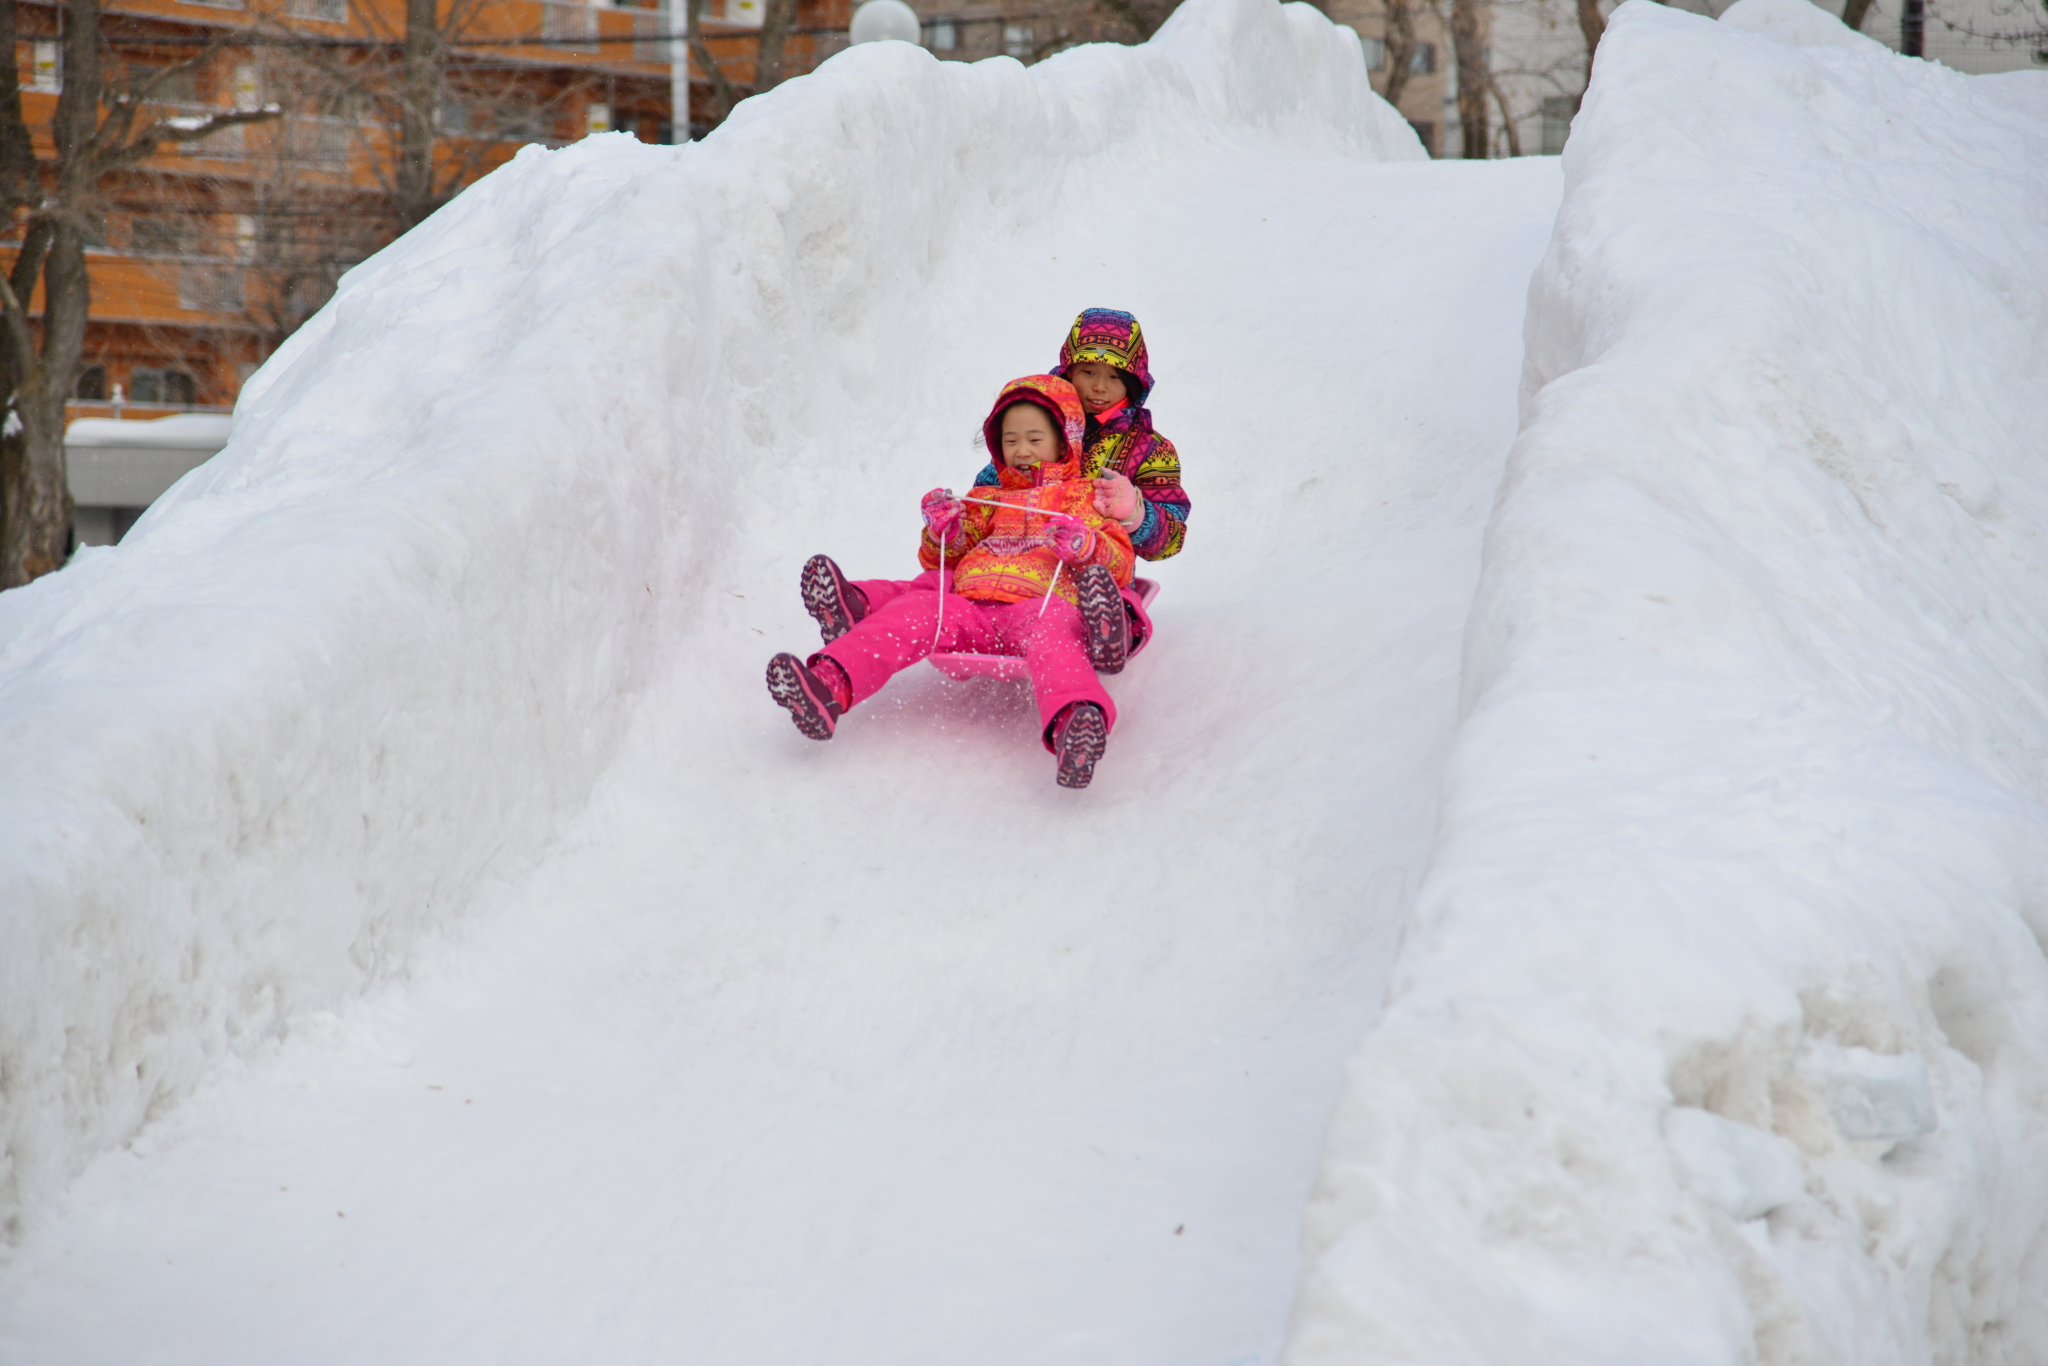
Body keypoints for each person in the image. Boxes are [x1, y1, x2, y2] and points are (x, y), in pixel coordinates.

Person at [766, 375, 1135, 789]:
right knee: (912, 611)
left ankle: (1075, 724)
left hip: (1040, 607)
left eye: (1034, 438)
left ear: (1065, 441)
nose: (1022, 450)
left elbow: (1122, 565)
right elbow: (945, 559)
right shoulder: (988, 497)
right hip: (969, 605)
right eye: (1011, 441)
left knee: (1056, 640)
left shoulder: (1086, 498)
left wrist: (1086, 546)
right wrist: (945, 530)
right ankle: (829, 686)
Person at [800, 308, 1188, 672]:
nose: (1099, 386)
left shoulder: (1150, 450)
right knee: (944, 585)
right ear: (1069, 369)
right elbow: (991, 500)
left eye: (1115, 376)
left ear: (1134, 382)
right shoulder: (1037, 422)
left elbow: (1170, 537)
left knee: (1110, 598)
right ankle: (859, 604)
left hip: (1094, 569)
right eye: (1087, 371)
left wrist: (1136, 514)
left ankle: (1107, 631)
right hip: (1017, 561)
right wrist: (955, 522)